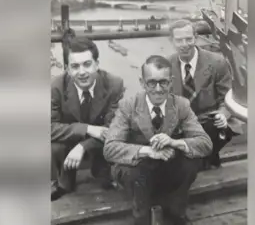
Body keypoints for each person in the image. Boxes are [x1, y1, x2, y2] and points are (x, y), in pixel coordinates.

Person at [103, 55, 212, 225]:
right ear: (142, 82)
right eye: (152, 83)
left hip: (166, 167)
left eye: (164, 82)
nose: (159, 89)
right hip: (138, 171)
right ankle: (141, 216)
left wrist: (174, 142)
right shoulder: (128, 106)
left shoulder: (181, 105)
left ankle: (176, 212)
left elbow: (205, 144)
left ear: (171, 81)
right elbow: (110, 148)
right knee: (134, 172)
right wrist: (148, 151)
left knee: (191, 162)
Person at [51, 37, 125, 201]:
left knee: (123, 135)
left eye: (87, 64)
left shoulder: (114, 84)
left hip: (100, 144)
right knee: (54, 146)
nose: (82, 72)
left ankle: (104, 174)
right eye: (75, 66)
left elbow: (114, 129)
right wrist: (87, 129)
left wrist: (83, 146)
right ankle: (63, 182)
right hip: (69, 141)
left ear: (97, 64)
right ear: (67, 69)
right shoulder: (55, 87)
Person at [167, 19, 243, 169]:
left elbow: (228, 98)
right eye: (179, 40)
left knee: (212, 130)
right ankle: (205, 161)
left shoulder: (217, 62)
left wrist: (223, 115)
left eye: (188, 39)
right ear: (172, 41)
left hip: (210, 120)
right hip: (182, 122)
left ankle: (202, 161)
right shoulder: (166, 65)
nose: (184, 44)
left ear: (195, 38)